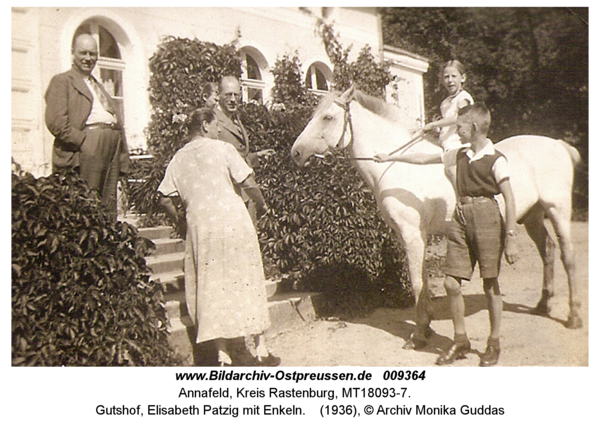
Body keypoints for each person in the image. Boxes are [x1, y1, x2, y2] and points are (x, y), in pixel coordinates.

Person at [375, 103, 519, 367]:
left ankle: (494, 342)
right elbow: (423, 158)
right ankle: (461, 339)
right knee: (451, 284)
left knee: (490, 284)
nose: (457, 129)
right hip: (461, 216)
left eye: (460, 126)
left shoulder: (496, 159)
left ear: (473, 128)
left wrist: (510, 236)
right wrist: (389, 158)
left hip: (487, 216)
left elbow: (509, 199)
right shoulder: (458, 154)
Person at [158, 107, 279, 367]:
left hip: (201, 227)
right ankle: (261, 348)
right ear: (204, 126)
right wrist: (263, 204)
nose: (217, 131)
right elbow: (247, 181)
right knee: (247, 279)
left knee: (211, 287)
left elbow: (164, 198)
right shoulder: (223, 149)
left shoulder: (178, 158)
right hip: (233, 221)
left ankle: (222, 354)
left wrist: (180, 221)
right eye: (215, 127)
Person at [44, 33, 129, 219]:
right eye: (83, 53)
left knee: (108, 207)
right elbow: (56, 121)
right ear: (72, 53)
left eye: (92, 54)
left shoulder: (96, 84)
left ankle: (107, 246)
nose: (88, 58)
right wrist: (83, 142)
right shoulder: (63, 81)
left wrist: (122, 156)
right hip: (88, 146)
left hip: (111, 147)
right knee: (86, 206)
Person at [214, 75, 274, 223]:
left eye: (236, 95)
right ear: (218, 95)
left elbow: (238, 154)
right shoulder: (213, 121)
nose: (233, 99)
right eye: (228, 95)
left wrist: (255, 156)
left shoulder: (235, 119)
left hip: (244, 192)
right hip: (227, 195)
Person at [423, 60, 474, 152]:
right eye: (446, 77)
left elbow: (459, 118)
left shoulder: (463, 97)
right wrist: (438, 129)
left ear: (462, 78)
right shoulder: (445, 103)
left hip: (458, 145)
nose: (450, 80)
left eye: (454, 76)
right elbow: (447, 125)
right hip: (445, 144)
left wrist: (433, 124)